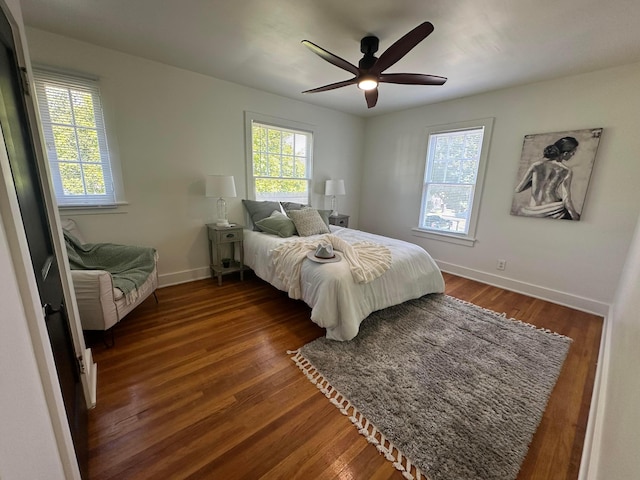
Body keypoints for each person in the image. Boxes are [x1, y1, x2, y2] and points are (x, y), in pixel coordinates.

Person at [514, 136, 581, 220]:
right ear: (565, 153)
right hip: (555, 209)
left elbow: (518, 189)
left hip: (533, 209)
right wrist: (575, 217)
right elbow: (566, 199)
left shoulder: (535, 165)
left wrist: (537, 181)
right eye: (573, 152)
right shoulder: (566, 170)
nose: (573, 155)